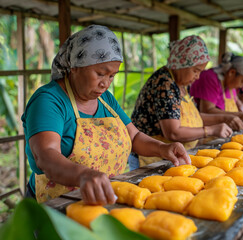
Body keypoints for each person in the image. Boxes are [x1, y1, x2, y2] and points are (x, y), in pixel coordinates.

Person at [21, 25, 190, 205]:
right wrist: (83, 175)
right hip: (56, 206)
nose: (106, 84)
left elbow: (134, 137)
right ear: (75, 66)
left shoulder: (106, 100)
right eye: (100, 74)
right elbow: (46, 156)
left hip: (103, 199)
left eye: (112, 76)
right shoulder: (49, 100)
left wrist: (163, 148)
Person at [130, 35, 234, 170]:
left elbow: (192, 118)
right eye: (195, 71)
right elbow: (173, 132)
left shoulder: (182, 84)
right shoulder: (164, 83)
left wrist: (225, 118)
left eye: (200, 72)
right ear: (181, 64)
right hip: (152, 156)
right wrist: (211, 130)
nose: (197, 77)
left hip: (171, 157)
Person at [190, 52, 243, 129]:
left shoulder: (230, 84)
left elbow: (237, 102)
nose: (241, 86)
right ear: (232, 72)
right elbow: (207, 110)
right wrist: (238, 115)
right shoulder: (210, 78)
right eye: (242, 81)